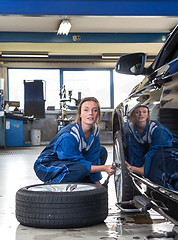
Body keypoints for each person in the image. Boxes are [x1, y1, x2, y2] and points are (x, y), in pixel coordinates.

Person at [34, 97, 116, 185]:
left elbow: (94, 158)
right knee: (79, 169)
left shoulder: (94, 132)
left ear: (98, 114)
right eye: (86, 110)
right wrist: (103, 168)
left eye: (94, 110)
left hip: (69, 164)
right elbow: (77, 162)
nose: (90, 113)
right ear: (80, 114)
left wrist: (97, 182)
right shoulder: (69, 135)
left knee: (101, 151)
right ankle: (52, 185)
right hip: (46, 166)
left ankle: (85, 181)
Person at [125, 105, 178, 190]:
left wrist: (142, 170)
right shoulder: (131, 130)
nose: (141, 114)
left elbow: (154, 151)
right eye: (137, 112)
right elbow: (135, 151)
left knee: (156, 165)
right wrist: (136, 174)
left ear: (148, 115)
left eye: (144, 112)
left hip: (169, 148)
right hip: (155, 151)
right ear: (132, 115)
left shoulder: (158, 130)